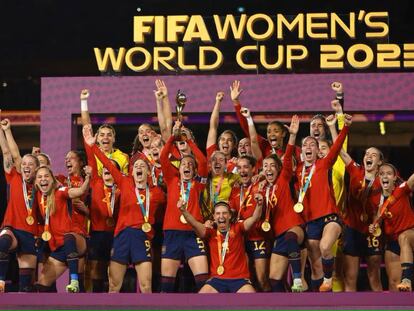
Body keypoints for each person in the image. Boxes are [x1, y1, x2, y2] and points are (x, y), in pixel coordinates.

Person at [84, 124, 166, 293]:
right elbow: (108, 164)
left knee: (146, 286)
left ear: (149, 172)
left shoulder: (156, 193)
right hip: (121, 235)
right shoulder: (125, 183)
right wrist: (92, 146)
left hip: (142, 236)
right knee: (113, 286)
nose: (138, 168)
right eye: (135, 166)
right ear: (131, 171)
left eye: (142, 167)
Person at [296, 114, 352, 292]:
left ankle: (328, 280)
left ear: (318, 150)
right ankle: (317, 299)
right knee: (315, 267)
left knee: (325, 246)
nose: (309, 147)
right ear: (301, 151)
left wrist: (344, 127)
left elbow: (337, 147)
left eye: (313, 144)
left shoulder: (324, 164)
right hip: (311, 221)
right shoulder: (296, 170)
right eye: (305, 144)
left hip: (330, 217)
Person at [160, 120, 209, 293]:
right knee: (167, 285)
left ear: (195, 171)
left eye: (190, 165)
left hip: (193, 233)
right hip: (172, 232)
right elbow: (162, 158)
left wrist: (189, 141)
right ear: (178, 169)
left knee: (203, 282)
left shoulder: (198, 183)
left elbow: (202, 162)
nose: (187, 166)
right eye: (183, 164)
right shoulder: (172, 180)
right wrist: (173, 137)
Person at [180, 199, 263, 293]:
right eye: (218, 213)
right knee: (201, 299)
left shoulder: (238, 228)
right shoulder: (210, 233)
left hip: (240, 280)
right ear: (214, 217)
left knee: (252, 298)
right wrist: (184, 211)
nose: (221, 216)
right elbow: (194, 224)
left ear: (230, 215)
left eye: (224, 213)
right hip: (217, 280)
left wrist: (259, 205)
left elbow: (254, 218)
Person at [262, 115, 306, 292]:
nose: (268, 169)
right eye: (265, 166)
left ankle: (297, 280)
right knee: (274, 279)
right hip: (278, 234)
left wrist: (293, 136)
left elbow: (287, 157)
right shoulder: (262, 189)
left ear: (278, 168)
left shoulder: (283, 178)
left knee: (291, 238)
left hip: (293, 227)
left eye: (272, 166)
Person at [35, 165, 91, 293]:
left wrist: (88, 178)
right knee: (42, 285)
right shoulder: (38, 196)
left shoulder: (60, 192)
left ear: (53, 180)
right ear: (36, 182)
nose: (43, 179)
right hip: (59, 248)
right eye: (40, 177)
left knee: (68, 237)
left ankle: (74, 281)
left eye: (46, 176)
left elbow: (80, 191)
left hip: (76, 240)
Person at [0, 117, 39, 292]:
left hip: (30, 234)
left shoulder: (42, 184)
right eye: (23, 164)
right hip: (12, 228)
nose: (25, 166)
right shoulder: (14, 178)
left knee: (26, 285)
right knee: (3, 241)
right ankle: (0, 281)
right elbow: (10, 154)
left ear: (37, 168)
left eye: (30, 164)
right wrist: (5, 130)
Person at [338, 147, 384, 291]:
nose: (368, 156)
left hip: (373, 230)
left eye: (373, 154)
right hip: (352, 228)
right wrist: (334, 127)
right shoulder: (356, 171)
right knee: (350, 277)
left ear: (380, 162)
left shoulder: (385, 179)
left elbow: (388, 203)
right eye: (366, 153)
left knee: (374, 276)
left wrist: (377, 223)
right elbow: (341, 151)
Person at [84, 131, 121, 292]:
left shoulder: (123, 188)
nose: (108, 171)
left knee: (114, 271)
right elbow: (93, 160)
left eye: (112, 170)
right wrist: (92, 145)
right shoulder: (96, 182)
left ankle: (114, 301)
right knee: (95, 270)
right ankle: (97, 301)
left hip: (116, 234)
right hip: (98, 233)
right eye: (106, 169)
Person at [369, 163, 414, 292]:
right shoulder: (377, 200)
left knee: (403, 237)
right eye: (382, 174)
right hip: (392, 241)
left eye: (389, 173)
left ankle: (407, 279)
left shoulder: (402, 189)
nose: (385, 176)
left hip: (410, 234)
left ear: (395, 177)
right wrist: (373, 227)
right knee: (394, 283)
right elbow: (376, 220)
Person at [80, 89, 129, 175]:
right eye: (102, 135)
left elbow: (118, 175)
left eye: (109, 135)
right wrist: (83, 101)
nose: (105, 137)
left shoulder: (123, 157)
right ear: (97, 139)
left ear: (114, 139)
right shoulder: (93, 153)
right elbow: (87, 128)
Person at [206, 91, 238, 172]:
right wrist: (218, 102)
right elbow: (213, 126)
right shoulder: (212, 155)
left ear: (234, 145)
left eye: (229, 140)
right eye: (222, 139)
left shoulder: (237, 163)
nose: (225, 142)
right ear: (218, 143)